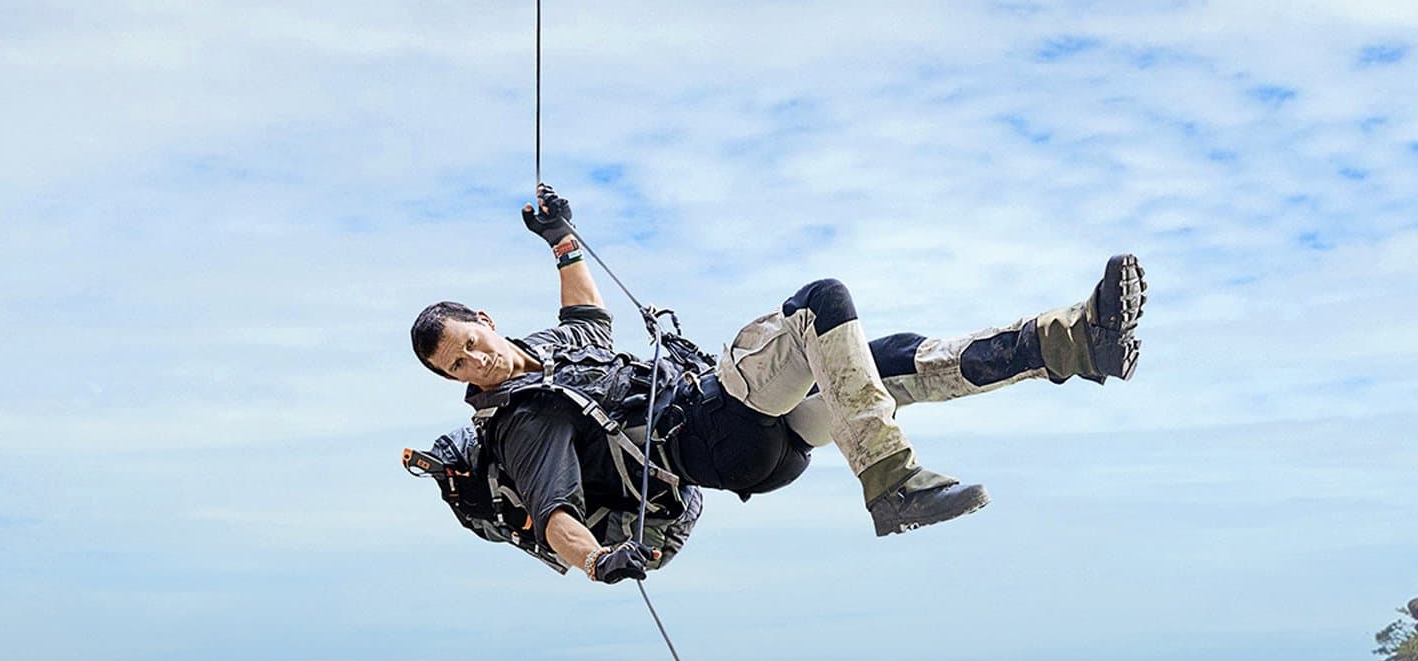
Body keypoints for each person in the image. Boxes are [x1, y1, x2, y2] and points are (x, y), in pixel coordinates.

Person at [408, 185, 1147, 584]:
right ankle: (891, 482)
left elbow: (586, 315)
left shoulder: (550, 350)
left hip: (766, 447)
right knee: (819, 307)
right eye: (459, 367)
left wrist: (563, 241)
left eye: (472, 344)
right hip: (707, 431)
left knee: (881, 365)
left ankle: (1076, 342)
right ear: (454, 381)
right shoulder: (522, 423)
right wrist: (598, 560)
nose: (478, 363)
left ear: (485, 320)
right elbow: (553, 513)